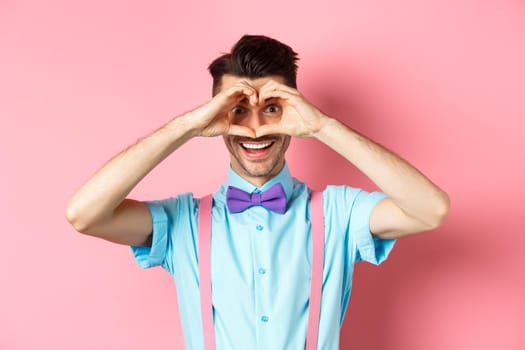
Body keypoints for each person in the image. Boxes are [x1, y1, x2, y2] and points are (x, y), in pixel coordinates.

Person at [65, 35, 450, 349]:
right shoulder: (182, 221)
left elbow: (429, 210)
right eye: (237, 109)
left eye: (272, 109)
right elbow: (84, 214)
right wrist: (187, 125)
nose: (255, 129)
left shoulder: (339, 212)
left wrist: (323, 127)